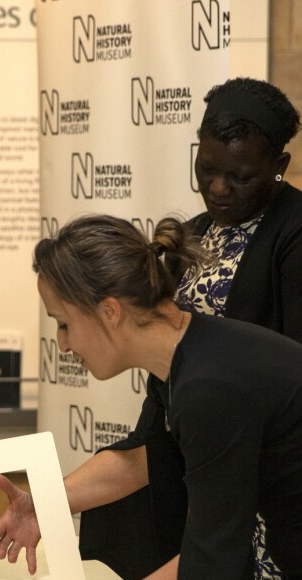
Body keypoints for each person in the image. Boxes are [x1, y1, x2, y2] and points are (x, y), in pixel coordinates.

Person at [0, 213, 302, 579]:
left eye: (64, 323)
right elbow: (145, 457)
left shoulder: (208, 388)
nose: (62, 344)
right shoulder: (181, 359)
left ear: (109, 311)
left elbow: (212, 561)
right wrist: (41, 503)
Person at [78, 77, 302, 580]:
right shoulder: (194, 234)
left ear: (279, 168)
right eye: (207, 170)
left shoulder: (295, 233)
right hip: (206, 465)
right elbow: (164, 403)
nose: (219, 188)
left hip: (271, 484)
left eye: (239, 176)